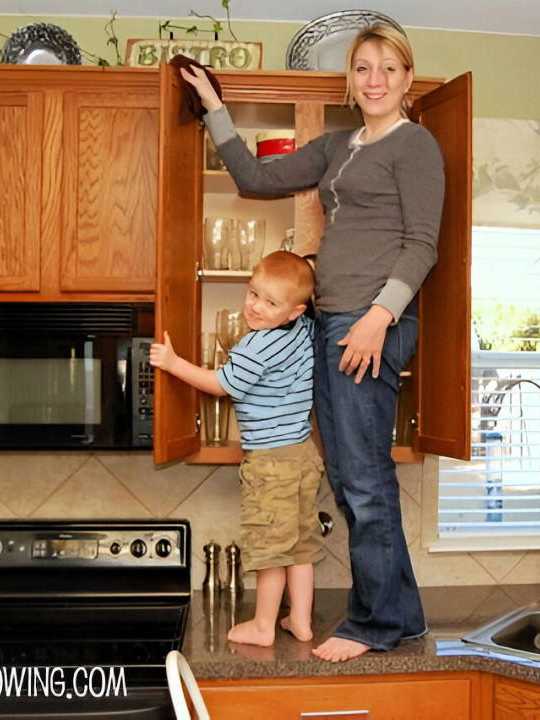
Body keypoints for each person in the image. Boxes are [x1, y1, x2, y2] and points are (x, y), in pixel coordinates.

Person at [179, 22, 445, 661]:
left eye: (387, 67)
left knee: (361, 479)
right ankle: (401, 616)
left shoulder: (417, 146)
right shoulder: (335, 146)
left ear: (407, 79)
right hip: (330, 321)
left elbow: (422, 245)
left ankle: (373, 625)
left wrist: (379, 318)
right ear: (350, 81)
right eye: (362, 68)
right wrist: (215, 108)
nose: (374, 79)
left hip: (370, 321)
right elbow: (251, 176)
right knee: (359, 476)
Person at [150, 251, 326, 647]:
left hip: (271, 462)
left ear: (296, 310)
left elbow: (222, 385)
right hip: (303, 455)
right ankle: (299, 618)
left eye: (270, 302)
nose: (256, 306)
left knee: (269, 547)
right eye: (253, 293)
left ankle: (263, 626)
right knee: (300, 543)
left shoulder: (256, 346)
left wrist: (174, 363)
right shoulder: (304, 332)